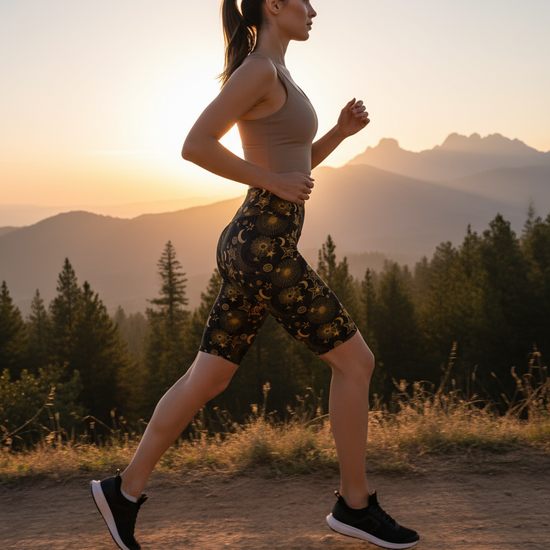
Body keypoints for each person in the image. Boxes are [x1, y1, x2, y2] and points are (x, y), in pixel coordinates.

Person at [90, 1, 419, 549]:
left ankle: (123, 491)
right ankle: (355, 505)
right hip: (261, 246)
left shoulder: (278, 71)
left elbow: (294, 165)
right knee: (356, 362)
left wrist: (337, 133)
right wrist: (271, 181)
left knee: (208, 378)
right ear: (273, 4)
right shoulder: (259, 70)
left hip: (257, 244)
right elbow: (195, 144)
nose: (314, 9)